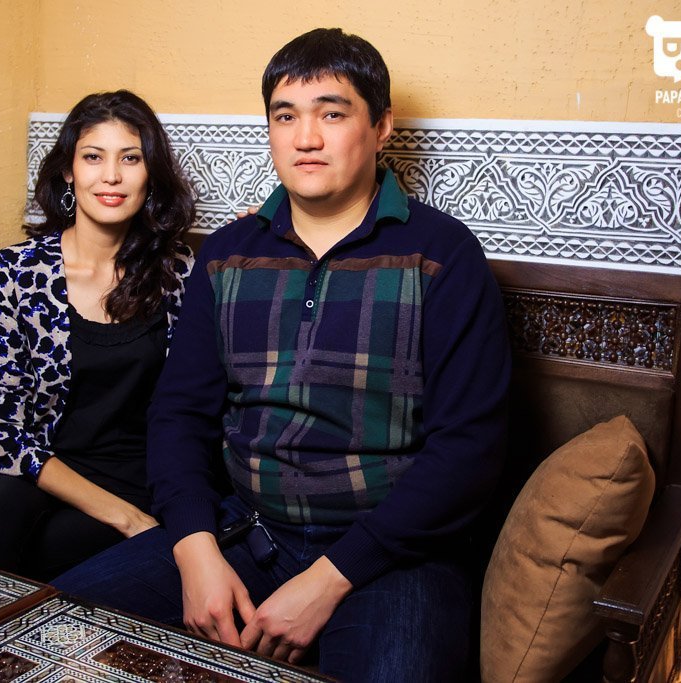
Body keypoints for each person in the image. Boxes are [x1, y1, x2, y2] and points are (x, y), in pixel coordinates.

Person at [54, 29, 510, 681]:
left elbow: (468, 451)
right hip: (245, 532)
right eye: (285, 116)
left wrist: (328, 579)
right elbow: (179, 415)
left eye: (332, 114)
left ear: (381, 127)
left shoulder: (442, 255)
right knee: (46, 632)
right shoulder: (228, 253)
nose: (305, 138)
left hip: (391, 554)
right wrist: (195, 551)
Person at [0, 90, 196, 582]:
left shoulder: (178, 271)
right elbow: (2, 431)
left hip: (138, 477)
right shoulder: (13, 272)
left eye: (131, 158)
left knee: (53, 548)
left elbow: (197, 399)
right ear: (68, 170)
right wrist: (127, 520)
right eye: (93, 157)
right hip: (35, 470)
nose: (111, 176)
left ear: (151, 174)